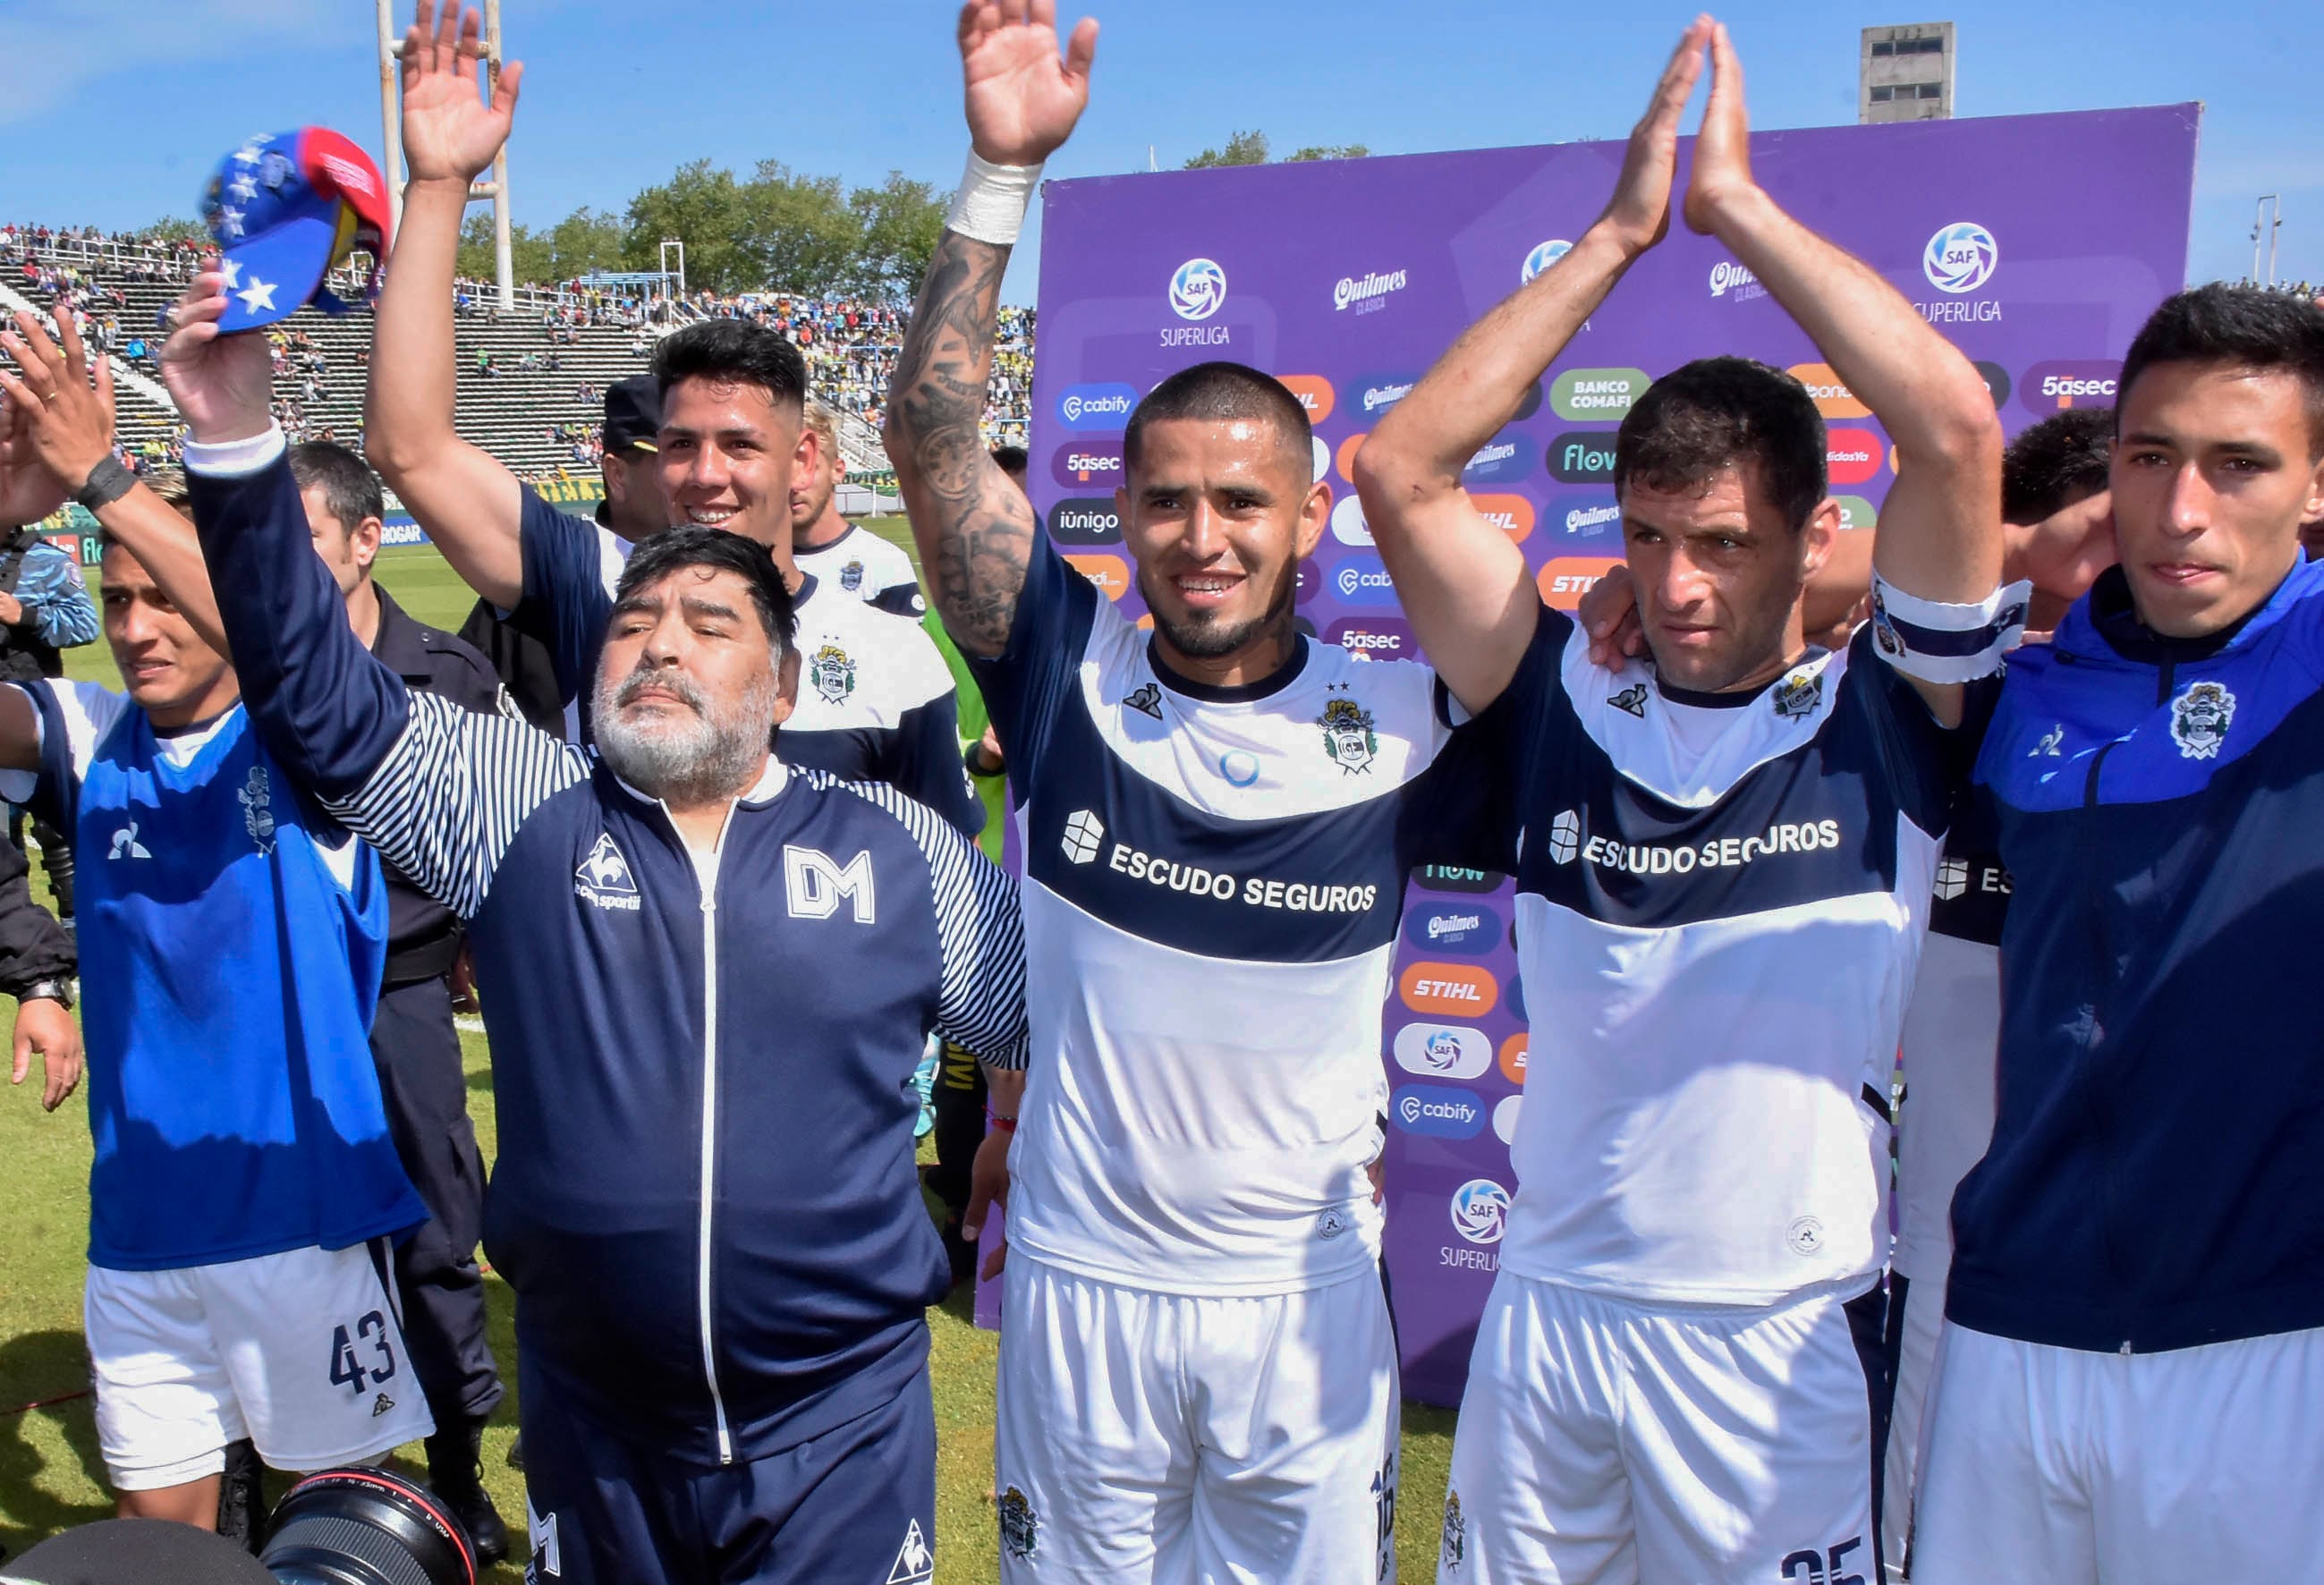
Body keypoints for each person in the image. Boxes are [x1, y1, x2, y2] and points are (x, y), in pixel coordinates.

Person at [168, 246, 1029, 1585]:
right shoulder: (519, 803)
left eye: (708, 622)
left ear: (785, 690)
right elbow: (315, 699)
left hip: (841, 1428)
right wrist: (229, 439)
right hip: (597, 1424)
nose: (663, 644)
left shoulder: (897, 849)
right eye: (634, 624)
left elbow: (1064, 1008)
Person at [1353, 22, 2014, 1583]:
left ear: (1812, 535)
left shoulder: (1883, 709)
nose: (1676, 581)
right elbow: (1398, 471)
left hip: (1777, 1329)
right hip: (1553, 1315)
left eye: (1720, 540)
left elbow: (1958, 432)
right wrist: (1617, 234)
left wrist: (1731, 213)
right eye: (1648, 538)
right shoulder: (1561, 694)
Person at [885, 9, 1499, 1581]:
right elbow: (934, 435)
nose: (1201, 533)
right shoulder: (1062, 664)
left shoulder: (1403, 710)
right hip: (1082, 1282)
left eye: (1240, 499)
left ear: (1306, 516)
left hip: (1299, 1291)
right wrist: (996, 169)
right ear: (1120, 510)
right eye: (1164, 499)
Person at [1912, 288, 2324, 1584]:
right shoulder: (2031, 681)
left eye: (2239, 464)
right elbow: (1809, 596)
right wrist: (2051, 538)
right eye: (2150, 458)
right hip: (2009, 1324)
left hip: (2261, 1339)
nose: (2182, 508)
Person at [0, 299, 432, 1529]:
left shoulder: (316, 740)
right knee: (159, 1560)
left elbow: (276, 627)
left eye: (161, 598)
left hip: (299, 1218)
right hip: (139, 1224)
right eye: (114, 599)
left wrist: (104, 474)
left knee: (343, 1532)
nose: (134, 626)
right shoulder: (89, 738)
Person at [369, 4, 980, 835]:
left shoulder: (890, 653)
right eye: (682, 444)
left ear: (803, 457)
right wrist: (439, 188)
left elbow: (942, 885)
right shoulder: (599, 582)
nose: (705, 473)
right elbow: (407, 448)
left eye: (739, 445)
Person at [1879, 405, 2112, 1579]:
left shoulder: (2243, 709)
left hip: (2180, 1307)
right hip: (1949, 1288)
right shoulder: (1949, 691)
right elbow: (1801, 597)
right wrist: (2022, 552)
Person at [287, 439, 516, 1562]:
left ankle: (458, 1473)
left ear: (365, 538)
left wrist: (477, 939)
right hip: (283, 1011)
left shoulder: (451, 671)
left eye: (303, 538)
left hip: (408, 998)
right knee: (296, 1250)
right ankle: (291, 1476)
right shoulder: (253, 669)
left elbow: (498, 832)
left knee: (436, 1240)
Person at [458, 374, 666, 733]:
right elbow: (466, 695)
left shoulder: (726, 570)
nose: (697, 472)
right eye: (672, 454)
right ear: (617, 474)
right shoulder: (544, 580)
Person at [0, 482, 100, 932]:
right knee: (5, 835)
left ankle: (78, 930)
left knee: (54, 831)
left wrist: (26, 615)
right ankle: (20, 939)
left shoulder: (47, 559)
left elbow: (85, 625)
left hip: (39, 711)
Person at [792, 400, 917, 606]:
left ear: (837, 471)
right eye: (782, 471)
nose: (794, 484)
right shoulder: (751, 566)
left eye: (809, 467)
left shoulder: (887, 564)